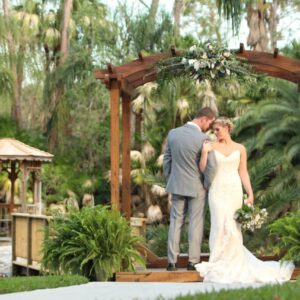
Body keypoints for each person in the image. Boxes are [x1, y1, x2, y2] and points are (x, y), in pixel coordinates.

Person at [195, 117, 295, 283]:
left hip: (234, 190)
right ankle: (218, 261)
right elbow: (203, 169)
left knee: (234, 227)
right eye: (213, 129)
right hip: (217, 190)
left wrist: (250, 193)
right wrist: (204, 153)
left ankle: (234, 261)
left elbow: (243, 172)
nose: (215, 132)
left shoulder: (240, 148)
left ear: (227, 128)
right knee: (219, 224)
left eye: (218, 129)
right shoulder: (210, 146)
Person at [163, 107, 216, 271]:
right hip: (197, 187)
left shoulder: (173, 133)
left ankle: (171, 262)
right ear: (203, 119)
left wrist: (170, 179)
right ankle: (193, 261)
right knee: (195, 223)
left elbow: (167, 160)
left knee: (175, 222)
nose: (209, 127)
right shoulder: (203, 138)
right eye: (209, 123)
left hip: (177, 185)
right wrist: (207, 185)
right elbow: (211, 167)